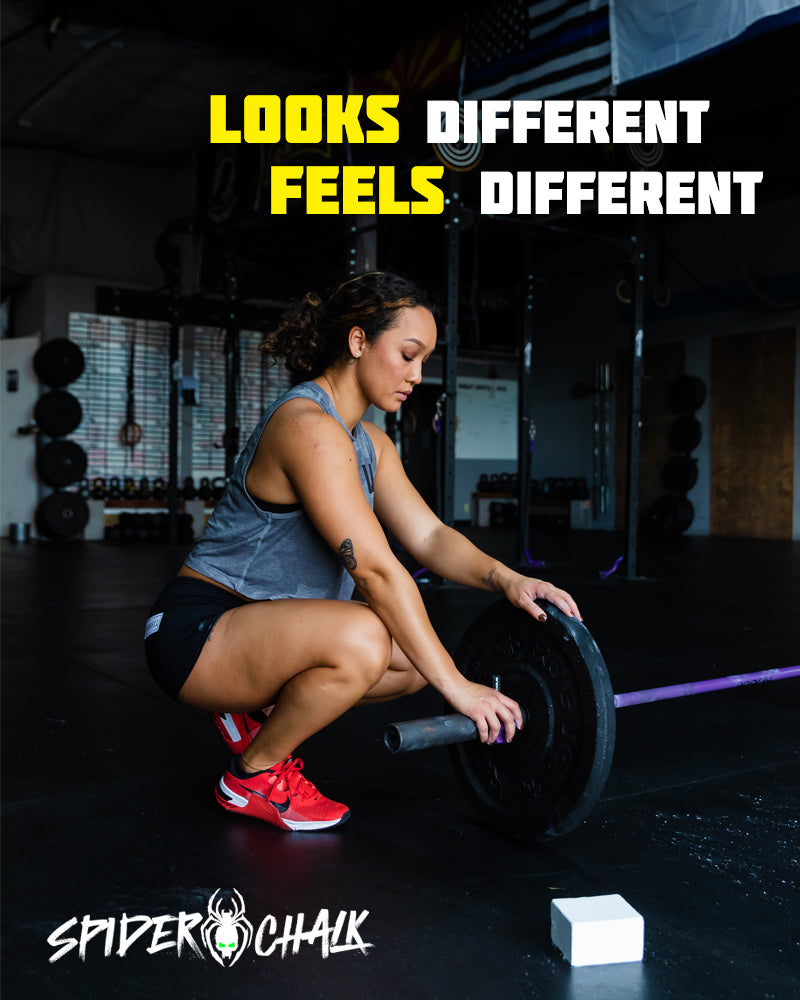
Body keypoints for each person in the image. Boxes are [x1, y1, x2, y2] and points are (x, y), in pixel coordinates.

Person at [144, 271, 582, 833]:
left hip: (262, 628)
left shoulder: (369, 442)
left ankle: (249, 709)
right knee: (372, 637)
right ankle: (252, 774)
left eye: (423, 360)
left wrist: (506, 579)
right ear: (357, 342)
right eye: (407, 354)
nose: (417, 375)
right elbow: (375, 570)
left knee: (409, 662)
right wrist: (460, 689)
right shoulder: (307, 426)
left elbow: (429, 536)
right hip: (197, 631)